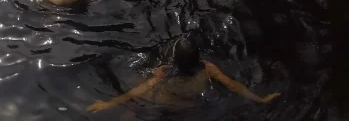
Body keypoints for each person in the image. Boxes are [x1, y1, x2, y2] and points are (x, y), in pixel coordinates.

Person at [87, 33, 280, 113]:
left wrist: (109, 103)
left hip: (165, 103)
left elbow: (138, 91)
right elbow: (233, 85)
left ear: (174, 58)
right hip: (191, 105)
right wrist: (261, 99)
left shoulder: (164, 72)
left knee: (133, 99)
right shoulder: (208, 69)